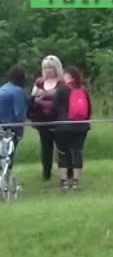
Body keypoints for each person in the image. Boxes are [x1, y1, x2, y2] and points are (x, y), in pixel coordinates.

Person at [52, 66, 91, 188]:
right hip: (81, 126)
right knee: (77, 151)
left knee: (63, 152)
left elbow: (54, 106)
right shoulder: (83, 90)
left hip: (63, 126)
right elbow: (89, 109)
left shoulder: (61, 89)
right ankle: (75, 180)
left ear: (69, 76)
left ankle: (64, 180)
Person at [28, 55, 62, 183]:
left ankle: (65, 173)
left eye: (51, 68)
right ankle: (46, 173)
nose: (48, 70)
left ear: (56, 68)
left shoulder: (61, 82)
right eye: (45, 67)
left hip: (58, 119)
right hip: (42, 120)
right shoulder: (39, 82)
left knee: (61, 147)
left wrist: (43, 96)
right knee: (46, 147)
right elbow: (33, 98)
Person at [0, 66, 28, 156]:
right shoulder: (18, 91)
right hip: (9, 126)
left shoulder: (3, 88)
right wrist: (19, 130)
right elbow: (19, 112)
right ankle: (8, 169)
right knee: (9, 152)